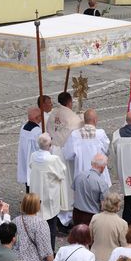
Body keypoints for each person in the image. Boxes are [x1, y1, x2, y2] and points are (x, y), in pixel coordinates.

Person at [45, 92, 83, 228]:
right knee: (66, 184)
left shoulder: (53, 113)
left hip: (52, 150)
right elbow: (78, 132)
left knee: (55, 183)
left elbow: (49, 129)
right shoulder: (73, 118)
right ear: (70, 102)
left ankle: (55, 211)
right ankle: (65, 216)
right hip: (64, 154)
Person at [29, 132, 68, 250]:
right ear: (50, 145)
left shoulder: (33, 156)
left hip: (36, 195)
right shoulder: (53, 159)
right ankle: (50, 249)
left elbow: (31, 166)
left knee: (37, 223)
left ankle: (37, 247)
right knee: (51, 224)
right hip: (50, 196)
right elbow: (62, 173)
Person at [63, 108, 111, 189]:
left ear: (84, 120)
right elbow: (106, 150)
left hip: (82, 172)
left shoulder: (74, 135)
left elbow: (68, 155)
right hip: (99, 171)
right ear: (95, 120)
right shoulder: (100, 134)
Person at [89, 193, 128, 261]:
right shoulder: (122, 223)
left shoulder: (95, 218)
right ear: (117, 205)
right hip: (111, 259)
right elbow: (124, 245)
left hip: (95, 256)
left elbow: (90, 239)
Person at [72, 154, 110, 226]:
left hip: (76, 213)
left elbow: (74, 195)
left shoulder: (79, 176)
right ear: (102, 168)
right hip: (92, 217)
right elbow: (104, 206)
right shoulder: (102, 183)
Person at [17, 107, 42, 193]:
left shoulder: (23, 127)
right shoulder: (37, 131)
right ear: (37, 118)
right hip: (34, 163)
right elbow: (40, 147)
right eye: (40, 116)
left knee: (28, 186)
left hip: (25, 160)